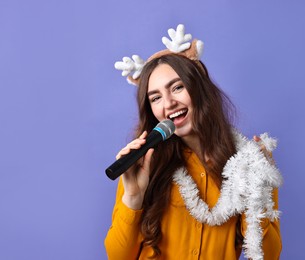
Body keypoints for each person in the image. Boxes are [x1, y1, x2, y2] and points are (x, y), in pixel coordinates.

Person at [105, 24, 283, 260]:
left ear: (200, 88)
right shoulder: (142, 163)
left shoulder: (246, 161)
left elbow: (268, 256)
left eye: (177, 87)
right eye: (156, 98)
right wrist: (133, 197)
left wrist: (257, 193)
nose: (168, 103)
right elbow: (117, 256)